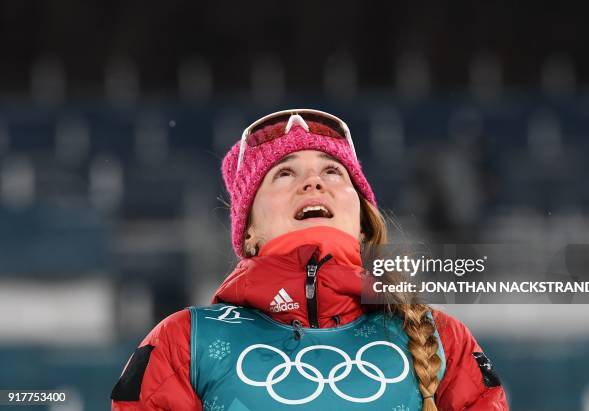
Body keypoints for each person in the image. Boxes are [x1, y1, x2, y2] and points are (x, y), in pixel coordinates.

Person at [110, 109, 509, 410]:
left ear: (362, 222)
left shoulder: (444, 341)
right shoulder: (184, 343)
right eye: (284, 174)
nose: (314, 181)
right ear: (248, 231)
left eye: (333, 171)